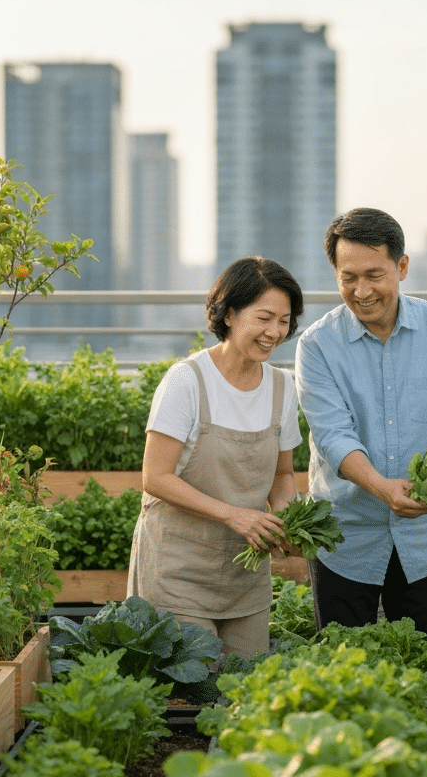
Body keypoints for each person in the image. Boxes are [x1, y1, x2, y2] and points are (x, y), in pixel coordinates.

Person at [294, 207, 427, 636]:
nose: (361, 291)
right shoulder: (317, 346)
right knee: (343, 672)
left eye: (374, 274)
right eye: (348, 277)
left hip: (426, 538)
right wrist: (382, 488)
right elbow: (332, 435)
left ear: (402, 267)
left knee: (423, 666)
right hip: (344, 535)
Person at [127, 256, 304, 660]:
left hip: (245, 577)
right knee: (194, 694)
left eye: (284, 321)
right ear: (228, 313)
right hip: (179, 571)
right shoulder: (187, 380)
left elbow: (282, 476)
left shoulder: (282, 387)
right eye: (264, 318)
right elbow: (155, 477)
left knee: (248, 694)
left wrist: (292, 520)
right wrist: (234, 515)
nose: (274, 332)